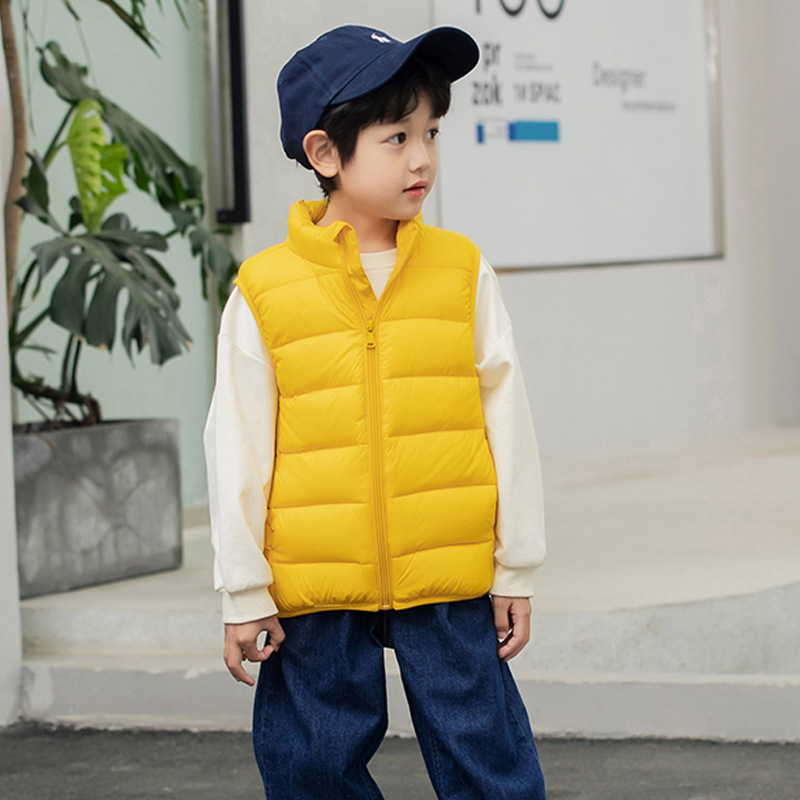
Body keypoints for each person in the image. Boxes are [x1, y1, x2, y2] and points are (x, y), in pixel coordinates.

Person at [204, 24, 547, 800]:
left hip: (446, 570)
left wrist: (514, 567)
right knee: (314, 765)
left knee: (486, 755)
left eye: (431, 133)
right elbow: (237, 446)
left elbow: (508, 419)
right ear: (326, 153)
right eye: (397, 137)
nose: (422, 157)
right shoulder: (266, 289)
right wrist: (243, 590)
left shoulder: (461, 271)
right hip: (314, 578)